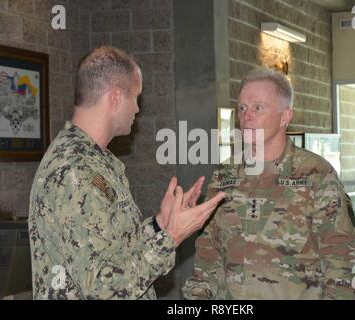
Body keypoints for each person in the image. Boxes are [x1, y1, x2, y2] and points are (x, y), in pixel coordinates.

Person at [28, 46, 225, 300]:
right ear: (116, 98)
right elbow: (100, 288)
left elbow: (114, 250)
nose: (137, 109)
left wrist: (160, 224)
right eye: (136, 97)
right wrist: (171, 237)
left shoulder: (97, 160)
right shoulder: (74, 171)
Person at [182, 68, 355, 300]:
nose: (247, 116)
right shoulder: (225, 175)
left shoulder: (316, 174)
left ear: (285, 116)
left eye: (258, 108)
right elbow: (209, 251)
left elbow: (344, 259)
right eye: (242, 108)